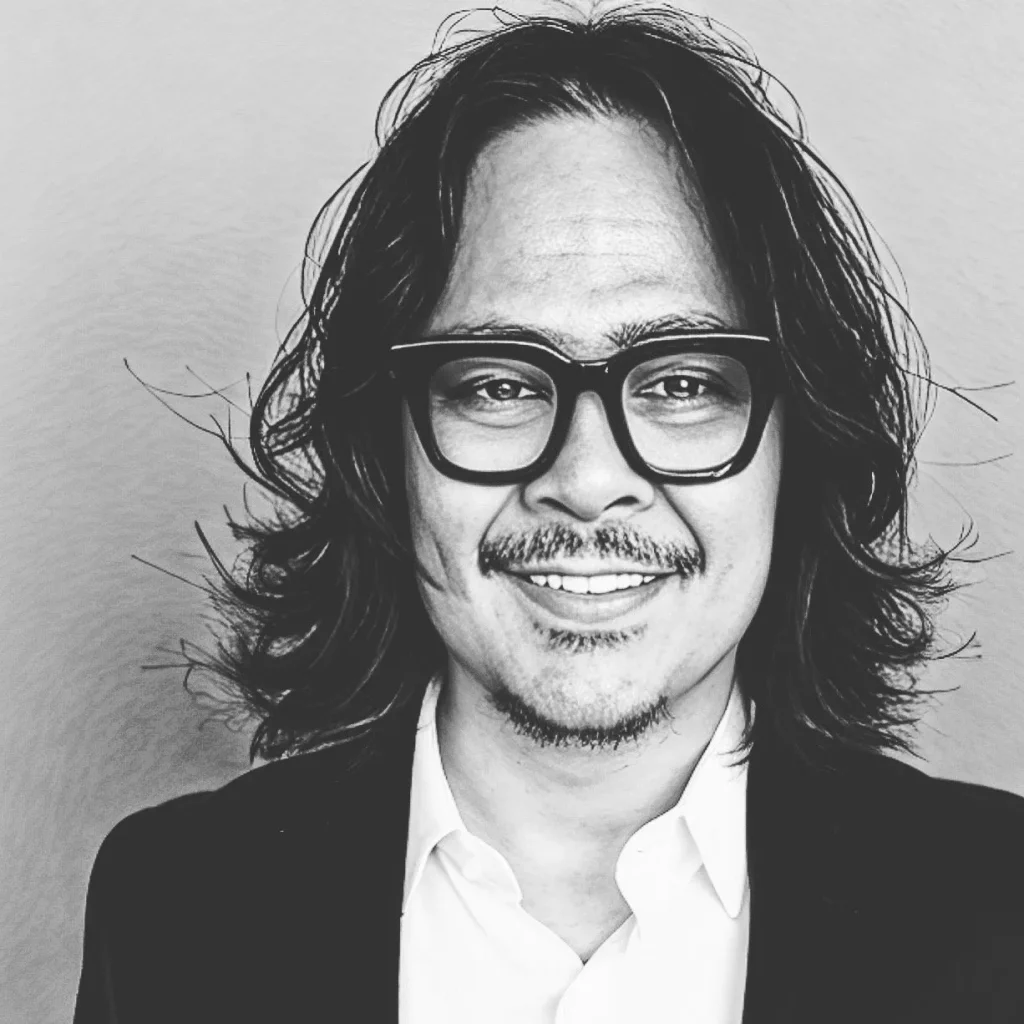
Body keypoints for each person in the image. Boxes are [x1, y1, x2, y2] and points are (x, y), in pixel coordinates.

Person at [74, 6, 1024, 1023]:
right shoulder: (172, 906)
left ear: (801, 443)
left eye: (680, 382)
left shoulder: (1001, 914)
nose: (586, 477)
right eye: (497, 383)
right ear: (386, 450)